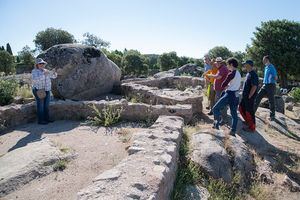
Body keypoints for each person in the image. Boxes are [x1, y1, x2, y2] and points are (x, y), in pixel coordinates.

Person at [212, 58, 241, 136]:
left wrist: (225, 85)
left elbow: (223, 84)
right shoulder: (238, 73)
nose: (227, 66)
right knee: (234, 114)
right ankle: (233, 130)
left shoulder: (231, 73)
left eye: (228, 64)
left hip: (229, 94)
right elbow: (237, 85)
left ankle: (216, 125)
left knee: (215, 108)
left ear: (231, 65)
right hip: (236, 95)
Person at [31, 58, 57, 125]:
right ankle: (41, 120)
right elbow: (35, 80)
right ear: (37, 64)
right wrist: (43, 75)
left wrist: (54, 72)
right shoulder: (34, 71)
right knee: (40, 106)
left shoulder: (46, 70)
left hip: (47, 90)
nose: (42, 64)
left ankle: (46, 119)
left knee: (46, 105)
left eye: (43, 63)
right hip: (38, 90)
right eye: (40, 63)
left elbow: (54, 77)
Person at [254, 55, 278, 121]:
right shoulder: (266, 67)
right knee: (258, 97)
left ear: (267, 60)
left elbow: (276, 77)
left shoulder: (272, 67)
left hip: (271, 86)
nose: (263, 61)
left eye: (264, 59)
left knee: (271, 101)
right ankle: (252, 112)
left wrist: (272, 79)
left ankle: (272, 116)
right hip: (265, 85)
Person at [239, 60, 258, 132]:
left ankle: (252, 128)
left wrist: (250, 95)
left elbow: (254, 86)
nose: (244, 65)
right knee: (241, 108)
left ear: (249, 65)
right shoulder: (248, 73)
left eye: (245, 64)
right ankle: (247, 121)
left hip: (249, 97)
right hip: (245, 96)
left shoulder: (253, 74)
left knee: (249, 111)